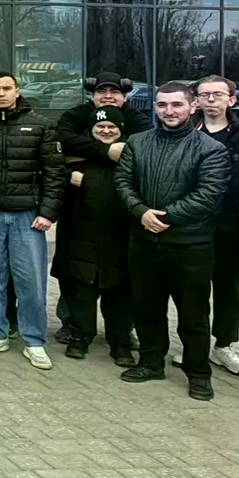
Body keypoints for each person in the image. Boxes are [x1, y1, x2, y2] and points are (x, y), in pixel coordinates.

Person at [112, 82, 232, 400]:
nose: (169, 111)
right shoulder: (137, 142)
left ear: (192, 107)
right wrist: (140, 212)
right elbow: (121, 181)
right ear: (154, 107)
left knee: (193, 317)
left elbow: (209, 194)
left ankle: (198, 374)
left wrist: (166, 216)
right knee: (146, 310)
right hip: (143, 243)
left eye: (176, 105)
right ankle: (151, 363)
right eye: (162, 104)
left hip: (190, 246)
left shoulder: (211, 149)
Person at [0, 70, 63, 370]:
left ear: (17, 91)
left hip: (27, 216)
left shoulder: (40, 125)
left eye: (7, 88)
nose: (1, 93)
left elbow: (54, 172)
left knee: (31, 280)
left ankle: (33, 340)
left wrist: (48, 212)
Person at [51, 72, 151, 339]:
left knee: (122, 274)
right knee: (74, 270)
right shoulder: (75, 114)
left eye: (114, 92)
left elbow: (142, 147)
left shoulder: (137, 118)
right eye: (101, 92)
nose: (108, 96)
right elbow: (62, 139)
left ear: (124, 95)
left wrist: (87, 158)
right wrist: (106, 151)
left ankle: (123, 330)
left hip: (120, 212)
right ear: (92, 95)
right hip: (78, 208)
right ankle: (71, 323)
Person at [54, 107, 134, 366]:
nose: (106, 131)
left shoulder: (132, 157)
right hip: (80, 238)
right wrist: (68, 177)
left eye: (112, 127)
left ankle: (120, 344)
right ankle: (80, 337)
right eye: (100, 127)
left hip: (120, 239)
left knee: (119, 296)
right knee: (81, 293)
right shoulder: (74, 158)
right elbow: (50, 179)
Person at [194, 74, 239, 376]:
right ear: (196, 100)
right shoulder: (186, 131)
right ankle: (194, 345)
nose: (211, 100)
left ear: (231, 100)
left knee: (228, 291)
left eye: (218, 95)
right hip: (195, 226)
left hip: (232, 228)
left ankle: (223, 346)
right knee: (193, 291)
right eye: (205, 95)